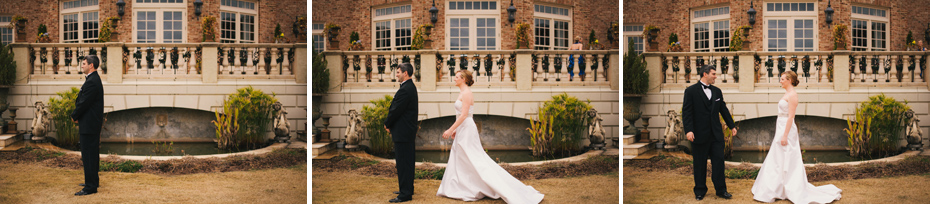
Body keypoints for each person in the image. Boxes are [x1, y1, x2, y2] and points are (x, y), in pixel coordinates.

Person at [436, 70, 544, 204]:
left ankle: (488, 186)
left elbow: (465, 115)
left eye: (457, 77)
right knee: (462, 158)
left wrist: (450, 129)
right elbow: (460, 115)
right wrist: (456, 130)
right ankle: (464, 186)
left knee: (474, 158)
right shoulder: (462, 93)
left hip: (468, 129)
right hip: (462, 128)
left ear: (463, 79)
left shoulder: (467, 93)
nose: (454, 79)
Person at [751, 71, 842, 203]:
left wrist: (785, 136)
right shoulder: (787, 93)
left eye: (782, 79)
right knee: (777, 157)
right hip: (781, 126)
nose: (780, 81)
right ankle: (777, 187)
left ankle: (788, 187)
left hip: (787, 129)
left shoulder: (793, 95)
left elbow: (791, 117)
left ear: (789, 80)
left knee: (787, 156)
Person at [682, 65, 736, 201]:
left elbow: (723, 109)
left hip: (716, 135)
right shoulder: (690, 91)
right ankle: (700, 190)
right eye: (713, 73)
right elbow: (687, 112)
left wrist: (732, 126)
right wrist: (689, 130)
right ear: (705, 74)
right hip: (699, 135)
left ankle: (721, 190)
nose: (716, 76)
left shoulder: (717, 91)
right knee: (700, 164)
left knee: (719, 163)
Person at [384, 63, 419, 203]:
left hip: (403, 132)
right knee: (407, 162)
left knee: (404, 163)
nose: (396, 74)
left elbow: (396, 109)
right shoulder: (409, 87)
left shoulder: (405, 89)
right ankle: (407, 188)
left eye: (398, 72)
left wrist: (387, 123)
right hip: (406, 132)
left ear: (405, 73)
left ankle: (405, 194)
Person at [71, 55, 105, 196]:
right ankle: (93, 181)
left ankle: (90, 187)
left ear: (91, 65)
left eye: (84, 63)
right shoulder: (93, 79)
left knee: (89, 155)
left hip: (89, 124)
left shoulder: (92, 81)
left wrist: (75, 115)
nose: (82, 66)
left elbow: (84, 102)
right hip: (90, 123)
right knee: (92, 155)